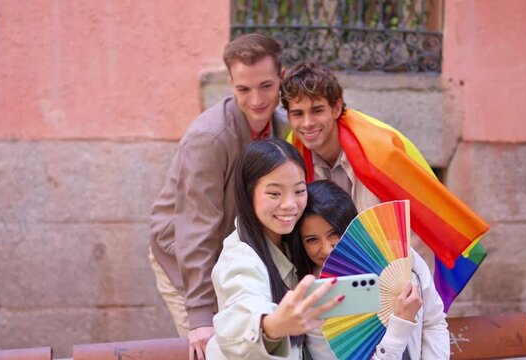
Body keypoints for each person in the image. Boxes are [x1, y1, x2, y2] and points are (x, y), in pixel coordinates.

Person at [280, 61, 490, 313]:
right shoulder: (293, 152)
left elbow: (412, 231)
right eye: (297, 114)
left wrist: (410, 294)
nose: (307, 123)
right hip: (341, 276)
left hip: (397, 273)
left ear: (336, 108)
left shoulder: (380, 154)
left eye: (317, 110)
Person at [148, 33, 289, 360]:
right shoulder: (208, 139)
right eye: (243, 89)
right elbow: (196, 229)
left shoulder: (283, 128)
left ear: (281, 79)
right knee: (216, 350)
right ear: (230, 83)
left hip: (235, 252)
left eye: (265, 86)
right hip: (184, 252)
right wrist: (199, 314)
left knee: (251, 344)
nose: (256, 100)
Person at [205, 138, 343, 360]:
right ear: (248, 194)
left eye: (299, 191)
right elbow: (242, 308)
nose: (290, 204)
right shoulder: (240, 258)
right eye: (274, 193)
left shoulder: (296, 237)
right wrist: (272, 326)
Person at [292, 180, 449, 359]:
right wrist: (400, 326)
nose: (327, 249)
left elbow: (434, 321)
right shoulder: (316, 296)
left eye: (334, 233)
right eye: (312, 240)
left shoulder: (400, 255)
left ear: (351, 228)